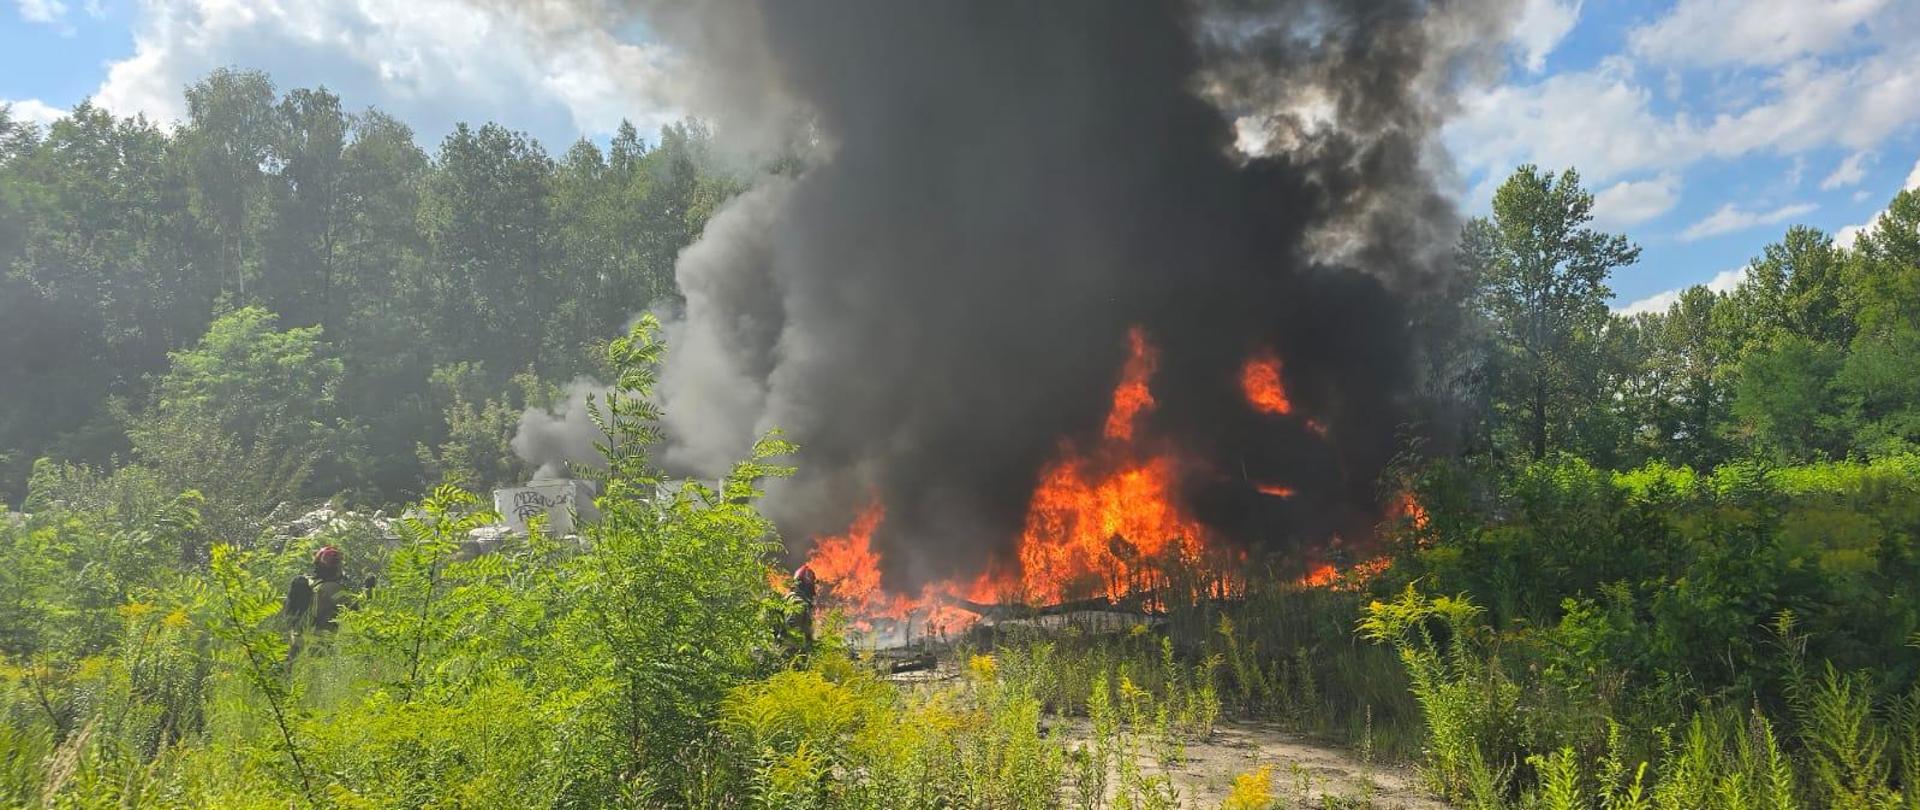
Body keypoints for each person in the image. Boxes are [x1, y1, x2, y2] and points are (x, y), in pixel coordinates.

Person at [281, 545, 374, 664]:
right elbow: (355, 610)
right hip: (320, 643)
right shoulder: (333, 588)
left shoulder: (309, 582)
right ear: (337, 568)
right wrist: (368, 590)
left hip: (297, 638)